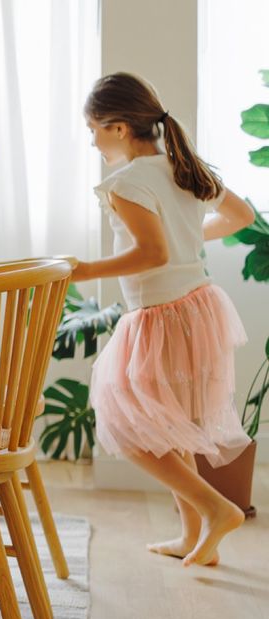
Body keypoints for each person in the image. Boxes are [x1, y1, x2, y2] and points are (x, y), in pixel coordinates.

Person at [75, 72, 255, 567]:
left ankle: (216, 509)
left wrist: (86, 270)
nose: (91, 141)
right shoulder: (181, 166)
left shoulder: (125, 182)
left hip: (160, 318)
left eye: (92, 130)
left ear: (117, 127)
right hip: (197, 307)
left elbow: (151, 253)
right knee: (172, 427)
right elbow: (241, 216)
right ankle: (192, 534)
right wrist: (188, 238)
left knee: (125, 426)